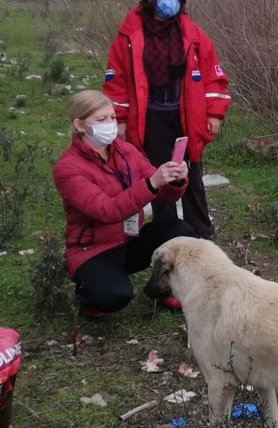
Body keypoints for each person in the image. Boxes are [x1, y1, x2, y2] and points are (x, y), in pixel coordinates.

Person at [103, 0, 230, 240]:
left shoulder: (192, 33)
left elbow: (213, 75)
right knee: (158, 176)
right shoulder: (130, 35)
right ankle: (168, 237)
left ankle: (202, 235)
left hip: (186, 117)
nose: (170, 0)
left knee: (191, 175)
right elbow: (117, 82)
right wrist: (121, 120)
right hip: (149, 118)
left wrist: (214, 113)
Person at [54, 91, 196, 319]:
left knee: (181, 232)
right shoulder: (68, 168)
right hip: (93, 250)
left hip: (130, 239)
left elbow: (165, 195)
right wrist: (152, 183)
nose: (110, 124)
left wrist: (175, 179)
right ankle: (89, 295)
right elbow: (105, 211)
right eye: (101, 120)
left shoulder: (126, 150)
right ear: (79, 125)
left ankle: (163, 288)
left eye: (112, 117)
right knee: (113, 296)